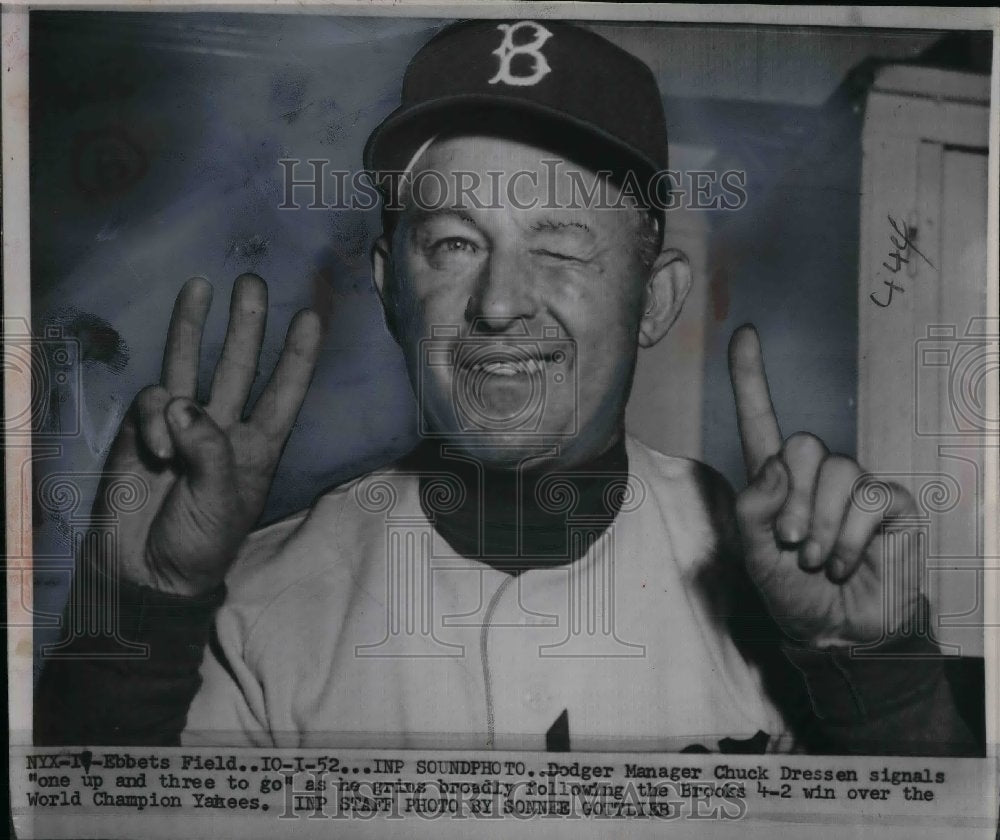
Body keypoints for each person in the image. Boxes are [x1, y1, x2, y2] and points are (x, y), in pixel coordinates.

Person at [36, 19, 982, 755]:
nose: (496, 304)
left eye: (561, 247)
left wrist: (881, 680)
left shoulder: (782, 592)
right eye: (454, 244)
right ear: (391, 290)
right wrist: (135, 621)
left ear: (655, 300)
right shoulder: (254, 610)